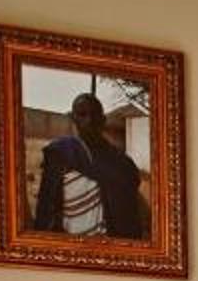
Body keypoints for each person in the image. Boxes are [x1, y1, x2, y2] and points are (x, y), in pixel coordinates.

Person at [32, 91, 151, 240]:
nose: (89, 120)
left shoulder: (122, 164)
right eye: (82, 115)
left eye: (94, 115)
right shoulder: (59, 154)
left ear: (103, 120)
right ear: (73, 118)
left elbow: (131, 214)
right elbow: (46, 208)